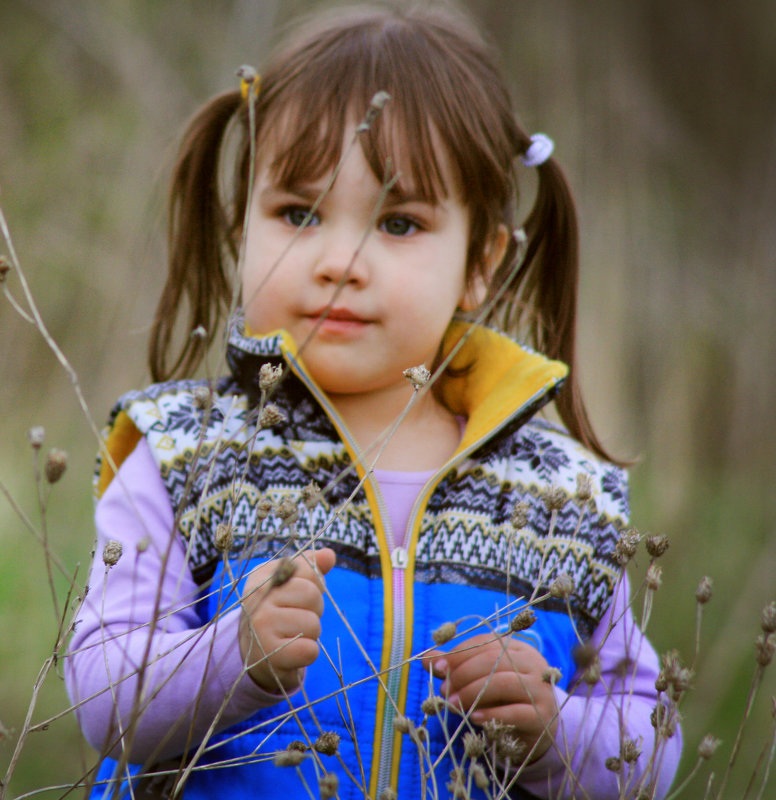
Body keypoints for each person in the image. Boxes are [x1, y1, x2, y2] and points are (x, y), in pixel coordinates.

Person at [66, 5, 682, 799]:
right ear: (239, 226)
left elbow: (654, 748)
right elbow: (101, 695)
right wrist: (233, 656)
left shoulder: (564, 497)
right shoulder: (186, 453)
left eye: (398, 223)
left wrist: (554, 727)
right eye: (298, 213)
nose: (340, 261)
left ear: (479, 261)